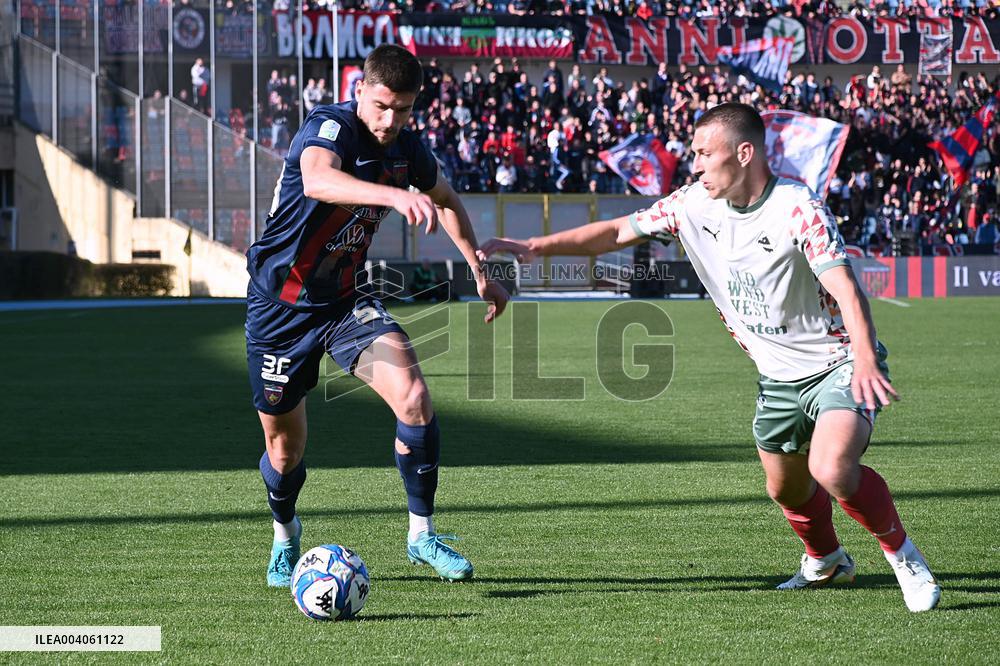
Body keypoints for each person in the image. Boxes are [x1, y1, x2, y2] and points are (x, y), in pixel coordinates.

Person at [478, 103, 941, 613]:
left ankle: (904, 557)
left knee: (831, 467)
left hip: (838, 361)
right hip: (777, 377)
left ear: (744, 153)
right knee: (785, 489)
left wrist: (865, 357)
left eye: (703, 153)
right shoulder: (691, 203)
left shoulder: (796, 208)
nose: (694, 164)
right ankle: (827, 560)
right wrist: (536, 246)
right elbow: (614, 233)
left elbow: (845, 289)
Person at [246, 44, 509, 588]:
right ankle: (285, 535)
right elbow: (318, 180)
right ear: (360, 89)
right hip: (279, 309)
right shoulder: (331, 125)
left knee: (413, 397)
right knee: (285, 448)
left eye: (405, 109)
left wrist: (477, 267)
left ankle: (421, 534)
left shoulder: (406, 148)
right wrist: (391, 196)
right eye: (383, 105)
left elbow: (446, 199)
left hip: (344, 302)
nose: (392, 120)